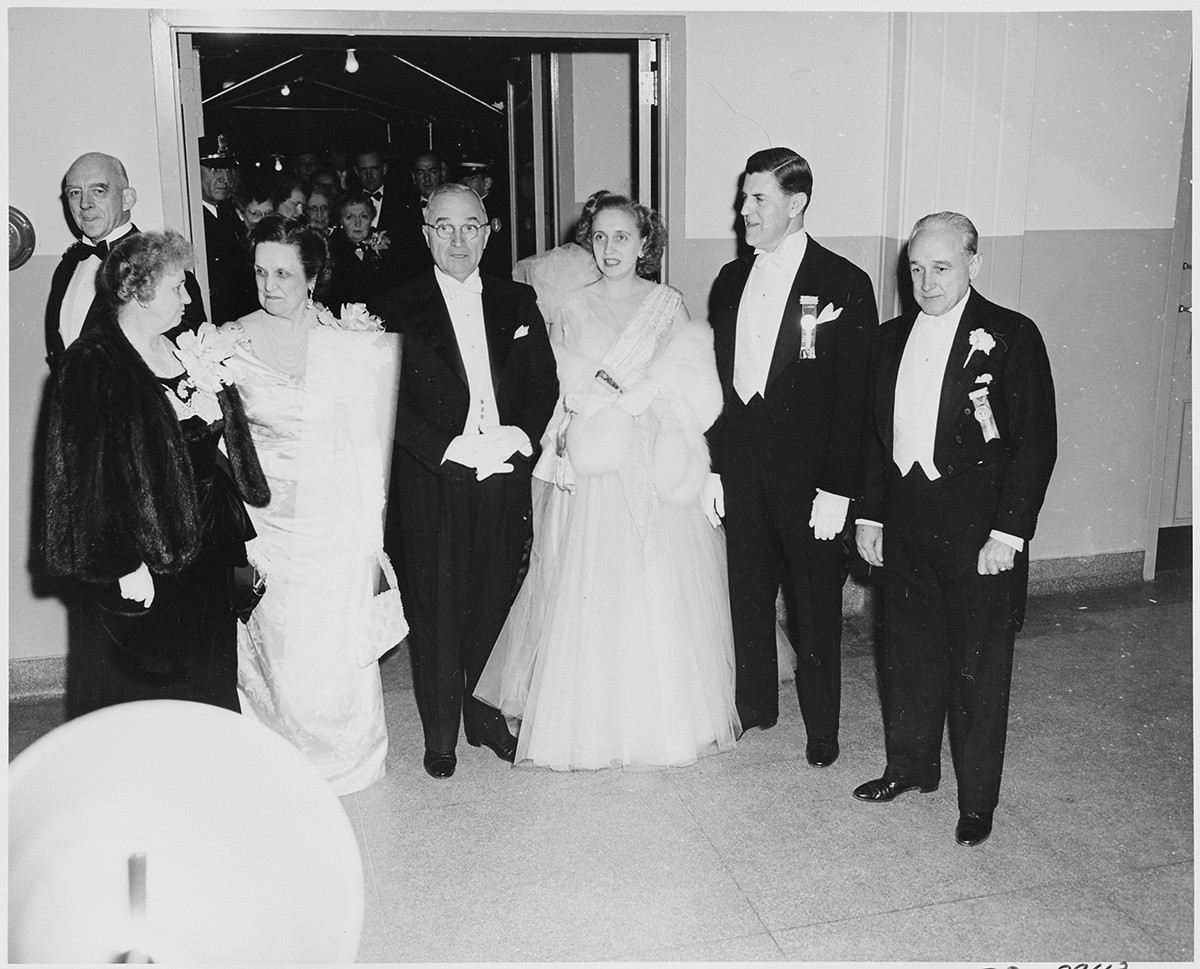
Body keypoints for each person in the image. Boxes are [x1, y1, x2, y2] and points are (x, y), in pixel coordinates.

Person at [476, 193, 740, 769]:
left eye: (622, 237)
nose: (610, 248)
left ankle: (664, 722)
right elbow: (560, 389)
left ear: (645, 244)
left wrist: (648, 398)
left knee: (655, 583)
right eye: (599, 237)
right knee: (595, 582)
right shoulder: (571, 306)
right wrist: (576, 422)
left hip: (652, 457)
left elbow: (689, 386)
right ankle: (590, 723)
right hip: (599, 465)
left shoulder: (668, 304)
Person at [853, 212, 1057, 847]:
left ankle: (977, 800)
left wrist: (1009, 533)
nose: (926, 281)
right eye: (915, 268)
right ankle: (910, 767)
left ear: (974, 263)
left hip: (977, 532)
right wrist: (870, 514)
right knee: (906, 651)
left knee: (977, 667)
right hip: (907, 518)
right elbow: (873, 438)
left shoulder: (1013, 337)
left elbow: (1034, 445)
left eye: (941, 267)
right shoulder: (888, 340)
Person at [370, 183, 559, 779]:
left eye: (471, 226)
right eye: (445, 227)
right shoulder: (394, 303)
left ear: (488, 231)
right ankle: (440, 734)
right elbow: (387, 399)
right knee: (435, 610)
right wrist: (447, 448)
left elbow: (541, 383)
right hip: (433, 478)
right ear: (426, 233)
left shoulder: (517, 299)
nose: (458, 240)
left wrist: (519, 437)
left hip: (502, 472)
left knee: (492, 599)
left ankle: (483, 719)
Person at [42, 230, 269, 717]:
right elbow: (81, 479)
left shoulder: (182, 349)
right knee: (144, 697)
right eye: (177, 288)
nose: (188, 298)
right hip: (143, 552)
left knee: (207, 676)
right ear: (137, 292)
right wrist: (120, 561)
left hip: (203, 547)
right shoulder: (92, 362)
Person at [705, 147, 877, 767]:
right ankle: (756, 705)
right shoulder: (729, 281)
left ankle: (823, 728)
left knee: (814, 606)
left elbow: (856, 398)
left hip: (809, 479)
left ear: (796, 203)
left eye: (757, 199)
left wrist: (839, 488)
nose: (743, 210)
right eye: (744, 197)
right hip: (744, 467)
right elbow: (720, 385)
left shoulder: (845, 284)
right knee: (745, 591)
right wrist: (714, 465)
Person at [223, 215, 400, 796]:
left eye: (282, 273)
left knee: (331, 644)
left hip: (334, 516)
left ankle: (343, 754)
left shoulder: (345, 340)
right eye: (259, 272)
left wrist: (369, 524)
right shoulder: (228, 343)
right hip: (265, 518)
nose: (269, 285)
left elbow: (364, 439)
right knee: (277, 647)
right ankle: (278, 754)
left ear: (313, 277)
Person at [46, 152, 205, 371]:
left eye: (98, 191)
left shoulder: (163, 264)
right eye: (75, 193)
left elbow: (190, 352)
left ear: (127, 199)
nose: (85, 204)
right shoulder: (69, 263)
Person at [199, 134, 257, 324]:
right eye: (214, 170)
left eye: (227, 170)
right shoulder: (191, 218)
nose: (224, 178)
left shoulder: (230, 211)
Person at [325, 191, 389, 309]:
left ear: (371, 220)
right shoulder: (329, 251)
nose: (357, 223)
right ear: (341, 222)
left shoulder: (384, 248)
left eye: (364, 216)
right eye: (349, 217)